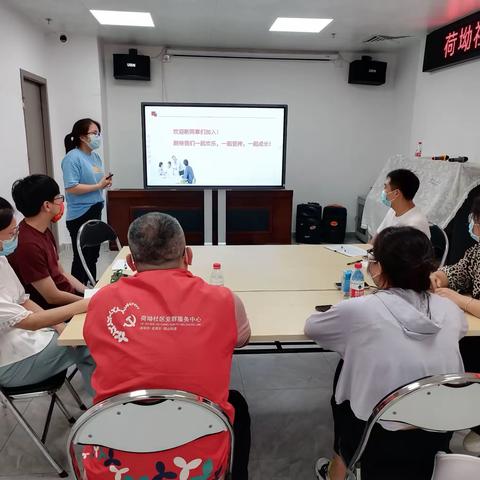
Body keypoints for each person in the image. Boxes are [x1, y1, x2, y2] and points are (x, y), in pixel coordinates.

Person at [82, 213, 251, 479]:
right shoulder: (225, 300)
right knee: (236, 403)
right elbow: (241, 339)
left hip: (113, 461)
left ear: (130, 262)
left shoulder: (103, 301)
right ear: (188, 255)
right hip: (198, 462)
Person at [305, 227, 466, 480]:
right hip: (436, 428)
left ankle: (340, 464)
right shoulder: (449, 310)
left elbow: (313, 327)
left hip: (376, 434)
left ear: (378, 268)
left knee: (345, 372)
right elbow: (459, 330)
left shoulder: (360, 310)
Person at [0, 197, 94, 395]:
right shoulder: (28, 246)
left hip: (29, 339)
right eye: (11, 233)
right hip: (11, 360)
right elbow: (31, 321)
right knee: (94, 341)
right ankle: (106, 410)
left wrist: (59, 326)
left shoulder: (2, 260)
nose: (16, 236)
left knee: (87, 333)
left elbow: (23, 300)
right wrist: (86, 304)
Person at [430, 194, 480, 452]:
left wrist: (459, 300)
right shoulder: (476, 252)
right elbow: (455, 272)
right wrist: (438, 277)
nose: (472, 226)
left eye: (476, 221)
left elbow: (462, 298)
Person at [9, 175, 85, 309]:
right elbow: (52, 297)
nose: (61, 202)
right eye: (58, 198)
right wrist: (86, 302)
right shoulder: (27, 245)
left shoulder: (43, 230)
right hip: (55, 311)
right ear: (47, 205)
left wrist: (89, 293)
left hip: (69, 299)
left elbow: (61, 272)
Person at [62, 118, 112, 285]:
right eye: (94, 133)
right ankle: (77, 291)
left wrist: (103, 183)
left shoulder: (95, 157)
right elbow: (72, 187)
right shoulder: (72, 157)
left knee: (93, 254)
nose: (98, 137)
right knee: (81, 256)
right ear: (82, 137)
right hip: (80, 214)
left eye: (99, 133)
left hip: (95, 209)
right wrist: (98, 185)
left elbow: (95, 181)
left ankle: (90, 285)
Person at [376, 169, 430, 239]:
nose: (383, 191)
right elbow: (377, 237)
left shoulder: (415, 225)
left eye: (385, 187)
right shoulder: (393, 210)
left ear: (396, 193)